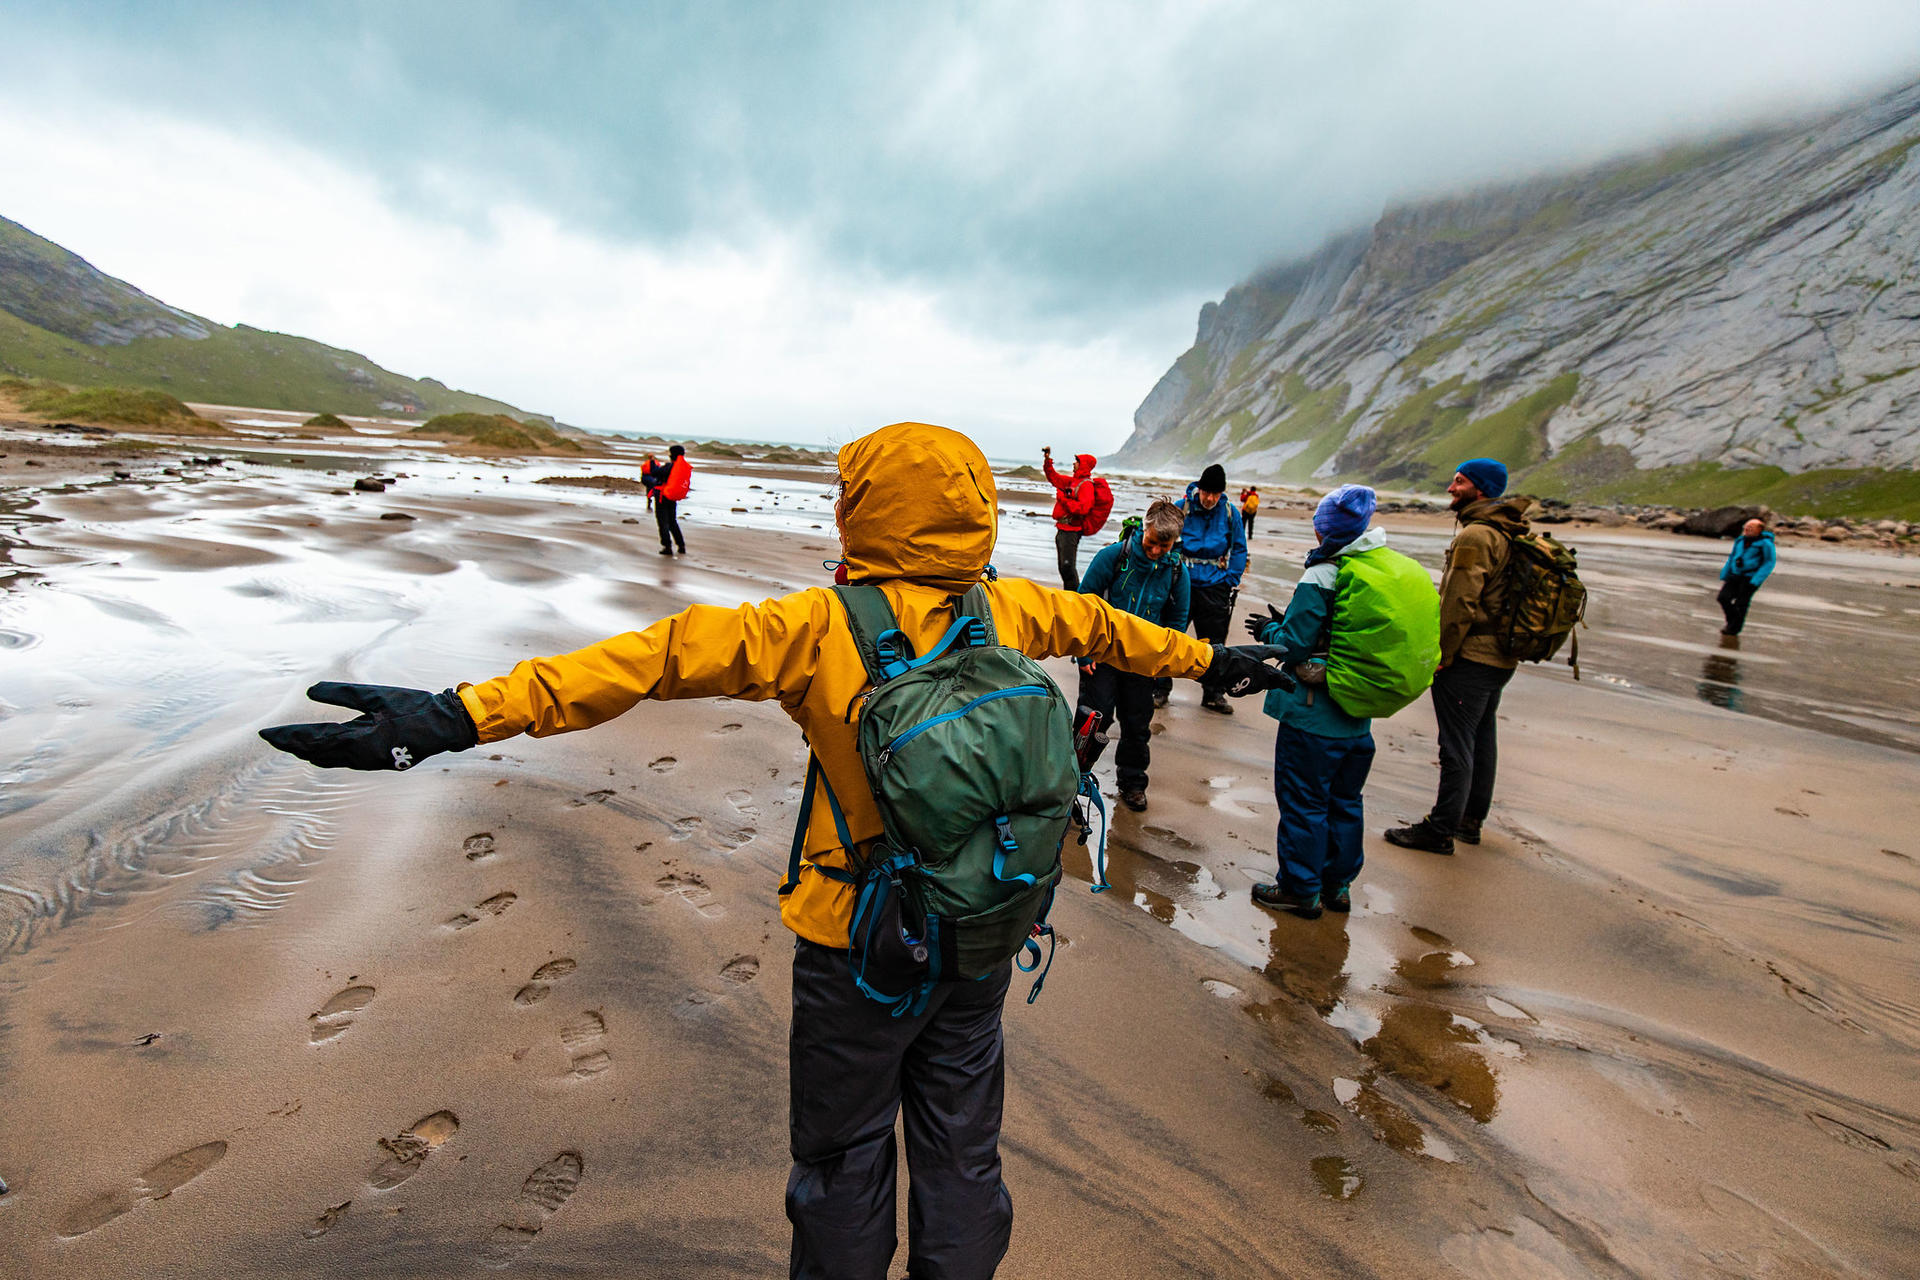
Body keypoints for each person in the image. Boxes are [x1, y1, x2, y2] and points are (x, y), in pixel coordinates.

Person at [257, 421, 1287, 1280]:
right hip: (985, 924)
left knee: (843, 1161)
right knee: (963, 1154)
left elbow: (648, 660)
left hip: (856, 944)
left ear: (866, 509)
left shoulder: (815, 625)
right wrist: (1213, 658)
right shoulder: (1010, 606)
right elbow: (1110, 630)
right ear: (972, 507)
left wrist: (457, 713)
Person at [1385, 457, 1531, 857]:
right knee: (1481, 738)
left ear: (1479, 489)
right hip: (1500, 657)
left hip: (1471, 657)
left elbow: (1459, 602)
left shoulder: (1477, 536)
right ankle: (1469, 821)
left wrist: (1442, 654)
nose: (1451, 488)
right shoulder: (1506, 529)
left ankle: (1441, 828)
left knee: (1456, 745)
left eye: (1460, 481)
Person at [1075, 498, 1190, 811]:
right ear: (1144, 528)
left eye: (1164, 546)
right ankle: (1072, 779)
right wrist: (1084, 654)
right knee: (1093, 719)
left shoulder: (1177, 572)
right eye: (1152, 542)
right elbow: (1082, 605)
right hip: (1102, 656)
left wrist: (1164, 662)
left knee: (1137, 726)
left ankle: (1133, 783)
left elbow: (1177, 622)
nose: (1155, 551)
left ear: (1174, 542)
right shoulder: (1113, 557)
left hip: (1142, 663)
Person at [1170, 463, 1248, 714]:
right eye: (1206, 492)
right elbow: (1168, 539)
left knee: (1215, 644)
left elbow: (1239, 548)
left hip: (1215, 586)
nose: (1210, 498)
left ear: (1221, 493)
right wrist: (1170, 573)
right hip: (1181, 583)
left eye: (1215, 493)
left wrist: (1231, 578)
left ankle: (1213, 694)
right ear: (1199, 489)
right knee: (1170, 636)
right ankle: (1159, 689)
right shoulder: (1181, 508)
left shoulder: (1230, 513)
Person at [1041, 446, 1100, 590]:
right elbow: (1054, 477)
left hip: (1071, 531)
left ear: (1083, 465)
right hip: (1062, 529)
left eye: (1077, 461)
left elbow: (1083, 508)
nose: (1074, 463)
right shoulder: (1072, 482)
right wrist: (1047, 460)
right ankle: (1070, 594)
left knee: (1067, 567)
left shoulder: (1086, 486)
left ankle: (1074, 596)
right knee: (1063, 567)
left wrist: (1063, 499)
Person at [1717, 517, 1775, 636]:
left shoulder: (1766, 544)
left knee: (1741, 603)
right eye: (1746, 527)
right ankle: (1733, 623)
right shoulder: (1740, 540)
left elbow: (1769, 563)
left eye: (1751, 527)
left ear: (1759, 530)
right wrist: (1725, 573)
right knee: (1723, 598)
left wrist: (1756, 580)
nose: (1747, 529)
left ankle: (1733, 628)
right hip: (1735, 574)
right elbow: (1732, 557)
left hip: (1750, 577)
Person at [655, 443, 691, 555]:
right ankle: (681, 545)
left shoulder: (669, 466)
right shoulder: (681, 467)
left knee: (663, 522)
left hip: (663, 496)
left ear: (672, 455)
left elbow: (655, 473)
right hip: (673, 497)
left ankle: (667, 547)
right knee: (672, 522)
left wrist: (652, 462)